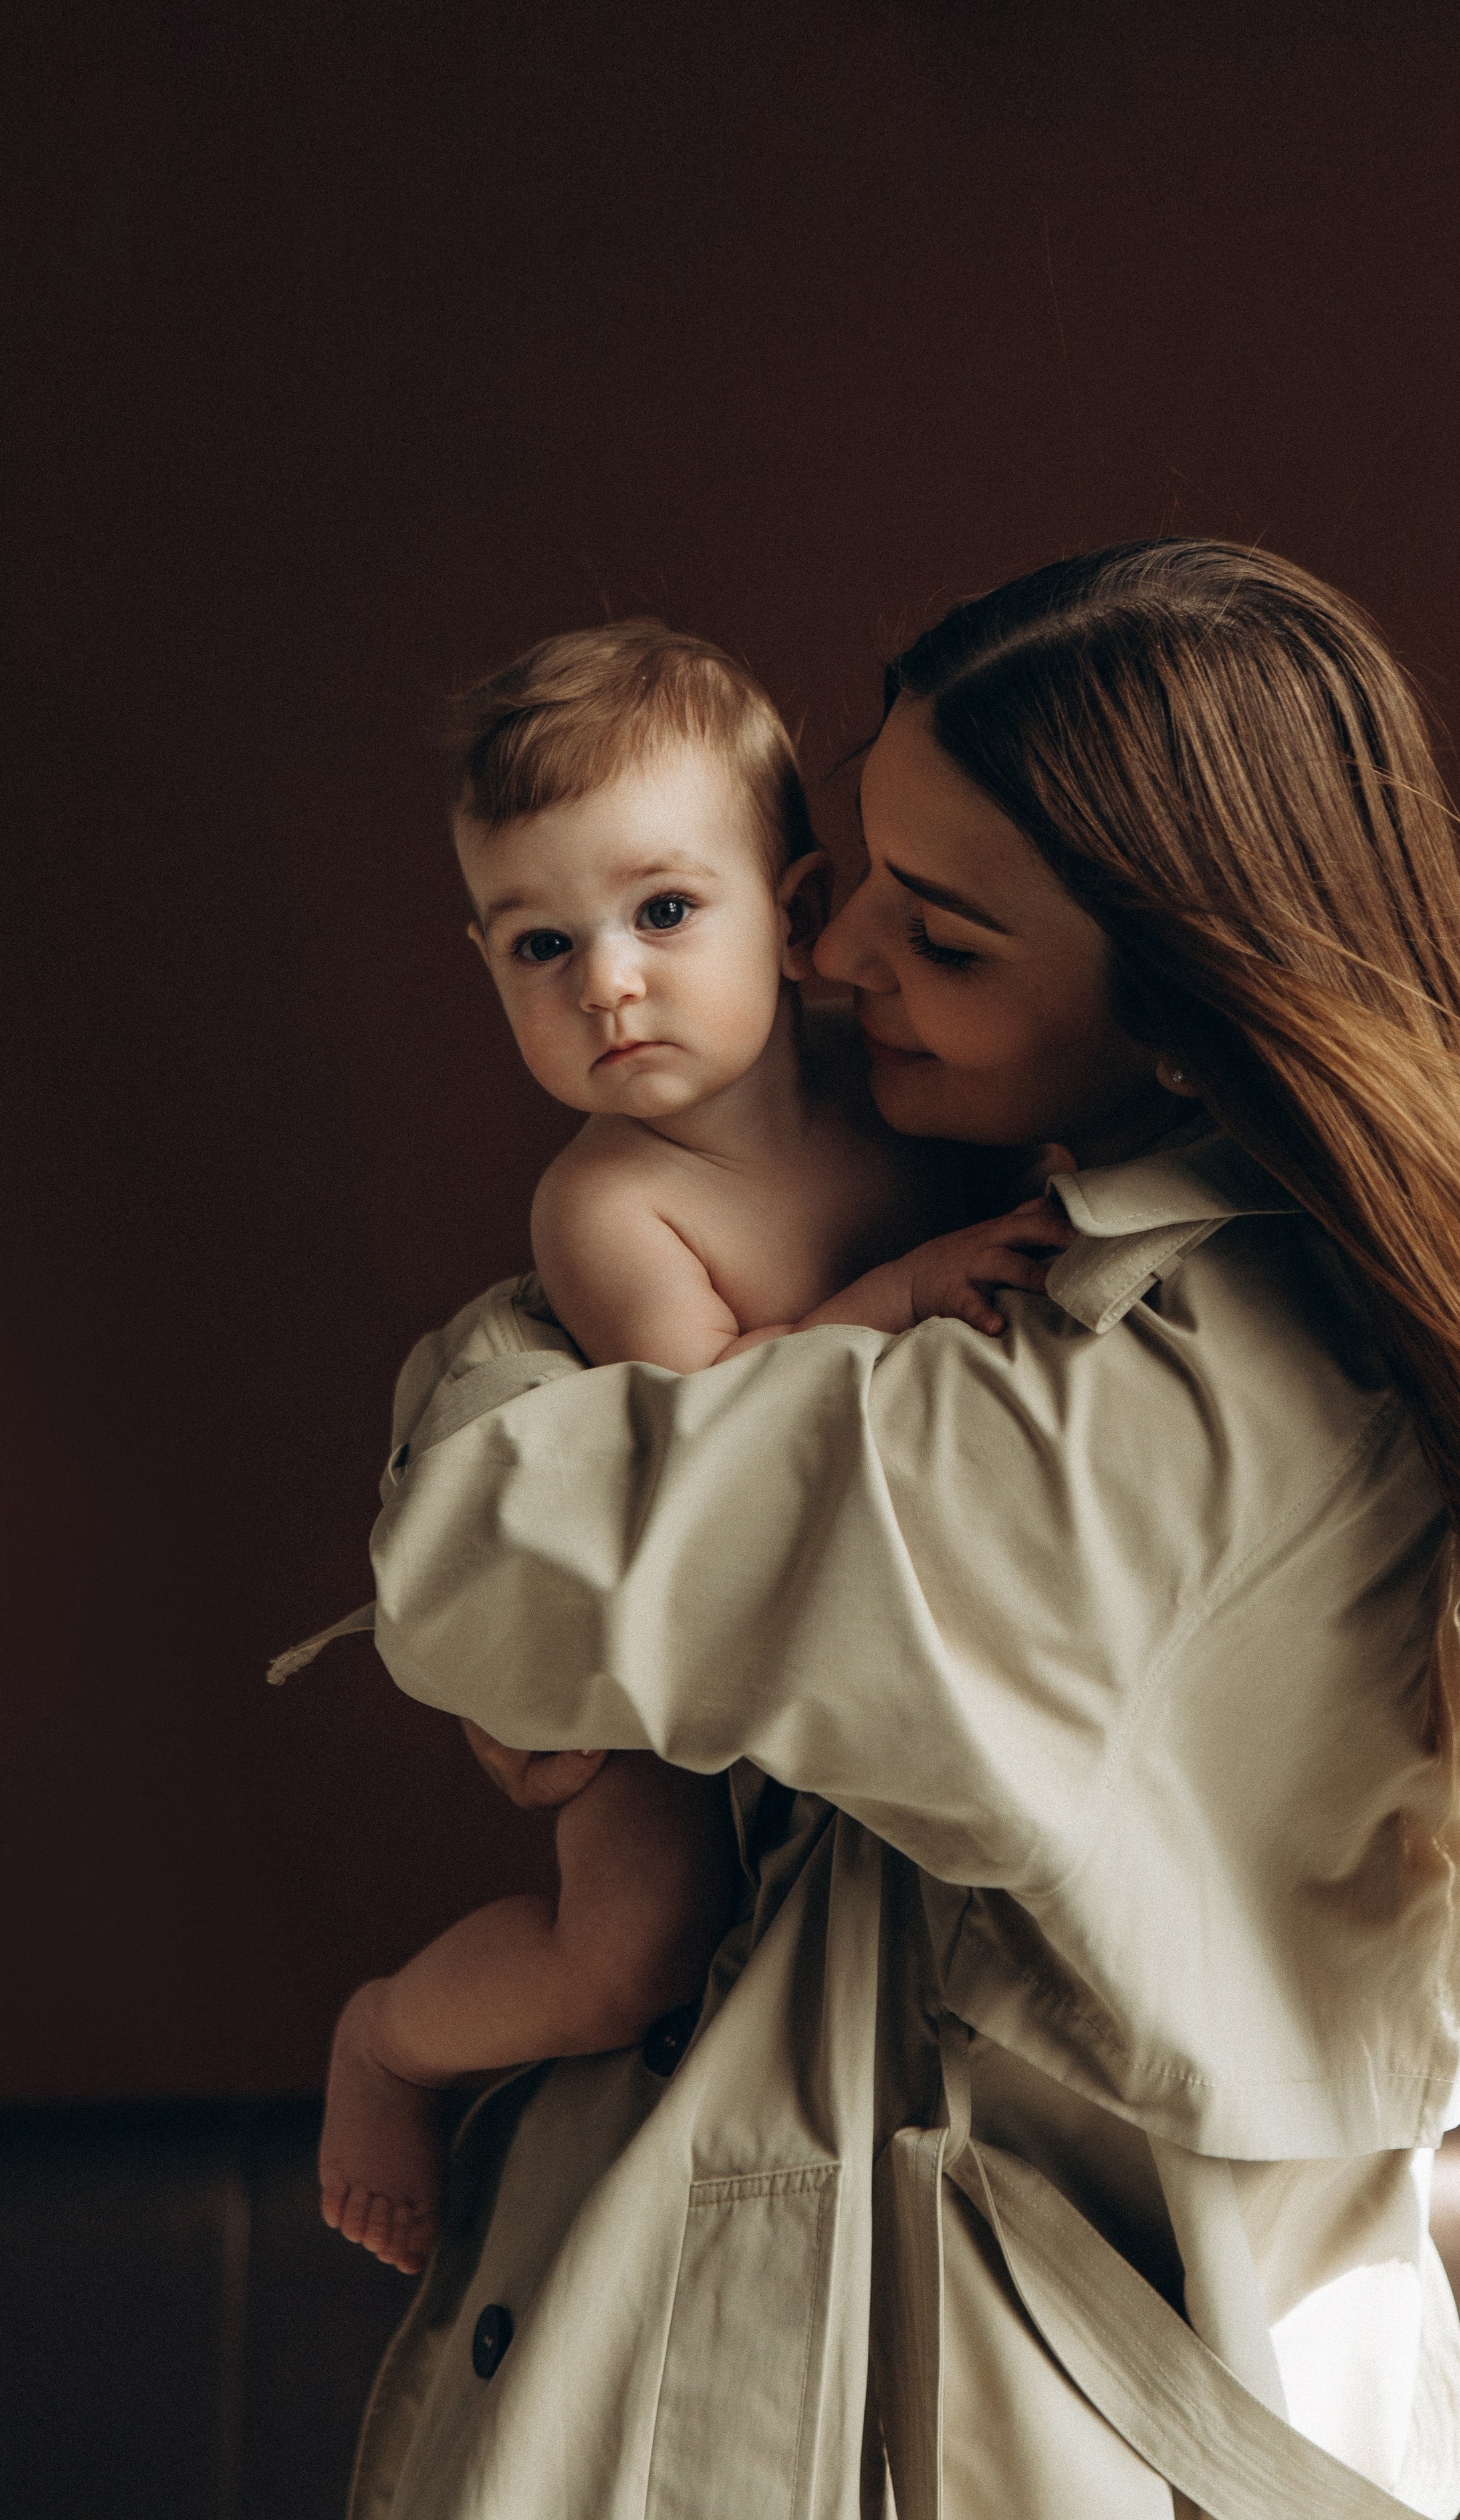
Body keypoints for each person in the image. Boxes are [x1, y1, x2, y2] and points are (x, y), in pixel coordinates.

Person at [344, 541, 1460, 2520]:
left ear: (1180, 1013)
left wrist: (500, 1392)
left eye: (943, 937)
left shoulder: (1130, 1409)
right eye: (860, 877)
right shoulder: (1141, 1248)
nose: (824, 959)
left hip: (982, 2430)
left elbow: (480, 1574)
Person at [318, 622, 1069, 2275]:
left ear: (795, 916)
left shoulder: (889, 1086)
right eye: (537, 945)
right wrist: (893, 1294)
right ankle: (388, 2041)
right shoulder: (609, 1198)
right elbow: (713, 1443)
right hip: (651, 1629)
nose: (605, 981)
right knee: (636, 1952)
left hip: (842, 1622)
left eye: (662, 912)